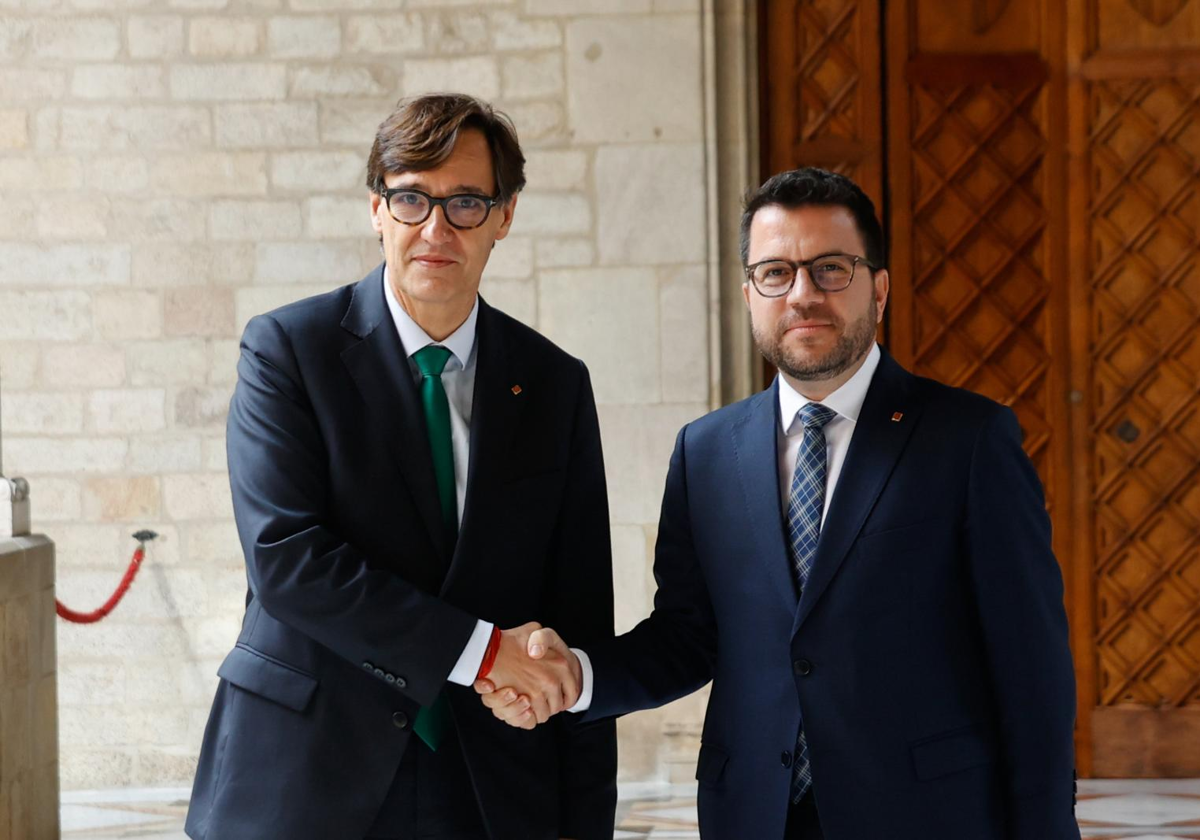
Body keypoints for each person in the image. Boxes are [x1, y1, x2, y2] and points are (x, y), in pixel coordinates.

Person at [477, 167, 1080, 839]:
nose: (802, 295)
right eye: (775, 273)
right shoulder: (705, 453)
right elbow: (686, 638)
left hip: (923, 815)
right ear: (748, 293)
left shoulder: (969, 441)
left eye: (830, 269)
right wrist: (576, 677)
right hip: (753, 814)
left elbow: (1033, 674)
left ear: (878, 291)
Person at [185, 93, 616, 840]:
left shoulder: (554, 383)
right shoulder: (288, 350)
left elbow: (577, 613)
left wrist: (585, 820)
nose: (435, 228)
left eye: (466, 203)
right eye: (411, 198)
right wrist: (482, 653)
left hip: (490, 783)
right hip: (307, 772)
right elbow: (287, 562)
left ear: (505, 216)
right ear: (376, 209)